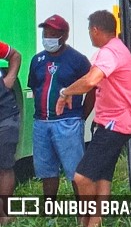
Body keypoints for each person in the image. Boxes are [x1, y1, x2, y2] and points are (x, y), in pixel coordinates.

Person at [55, 10, 131, 227]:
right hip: (118, 122)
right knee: (103, 176)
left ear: (95, 30)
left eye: (89, 32)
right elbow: (90, 77)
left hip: (115, 124)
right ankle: (96, 222)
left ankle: (87, 220)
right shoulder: (118, 48)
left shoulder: (109, 52)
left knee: (82, 177)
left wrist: (65, 93)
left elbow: (91, 80)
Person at [28, 14, 94, 199]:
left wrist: (81, 116)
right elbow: (34, 86)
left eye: (52, 33)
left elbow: (91, 88)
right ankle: (49, 209)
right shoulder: (37, 60)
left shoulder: (77, 60)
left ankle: (83, 212)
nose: (47, 37)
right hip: (41, 123)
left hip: (68, 122)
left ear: (64, 35)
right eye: (45, 32)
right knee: (47, 171)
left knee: (75, 171)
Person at [0, 41, 21, 226]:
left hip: (5, 113)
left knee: (5, 165)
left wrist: (10, 78)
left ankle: (6, 213)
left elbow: (15, 55)